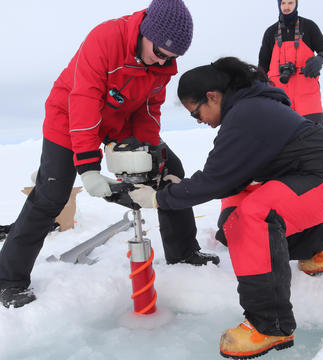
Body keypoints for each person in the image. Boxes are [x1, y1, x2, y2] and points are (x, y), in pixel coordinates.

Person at [129, 57, 323, 359]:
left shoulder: (248, 113)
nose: (198, 120)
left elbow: (213, 180)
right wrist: (174, 188)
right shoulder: (246, 110)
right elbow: (227, 181)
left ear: (212, 96)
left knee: (255, 216)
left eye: (196, 112)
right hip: (299, 177)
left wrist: (158, 198)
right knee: (232, 222)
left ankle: (270, 326)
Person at [0, 0, 220, 309]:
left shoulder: (161, 64)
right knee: (51, 194)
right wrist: (89, 166)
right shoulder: (105, 39)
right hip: (68, 118)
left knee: (171, 167)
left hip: (118, 121)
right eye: (159, 53)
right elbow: (84, 99)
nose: (161, 63)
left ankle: (184, 253)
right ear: (145, 31)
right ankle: (9, 280)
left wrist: (148, 159)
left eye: (170, 58)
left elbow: (148, 110)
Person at [258, 0, 323, 127]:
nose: (286, 7)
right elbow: (262, 68)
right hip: (280, 102)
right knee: (281, 143)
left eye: (290, 3)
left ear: (296, 4)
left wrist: (320, 59)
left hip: (308, 101)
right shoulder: (270, 32)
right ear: (279, 5)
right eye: (283, 3)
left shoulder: (309, 26)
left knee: (315, 142)